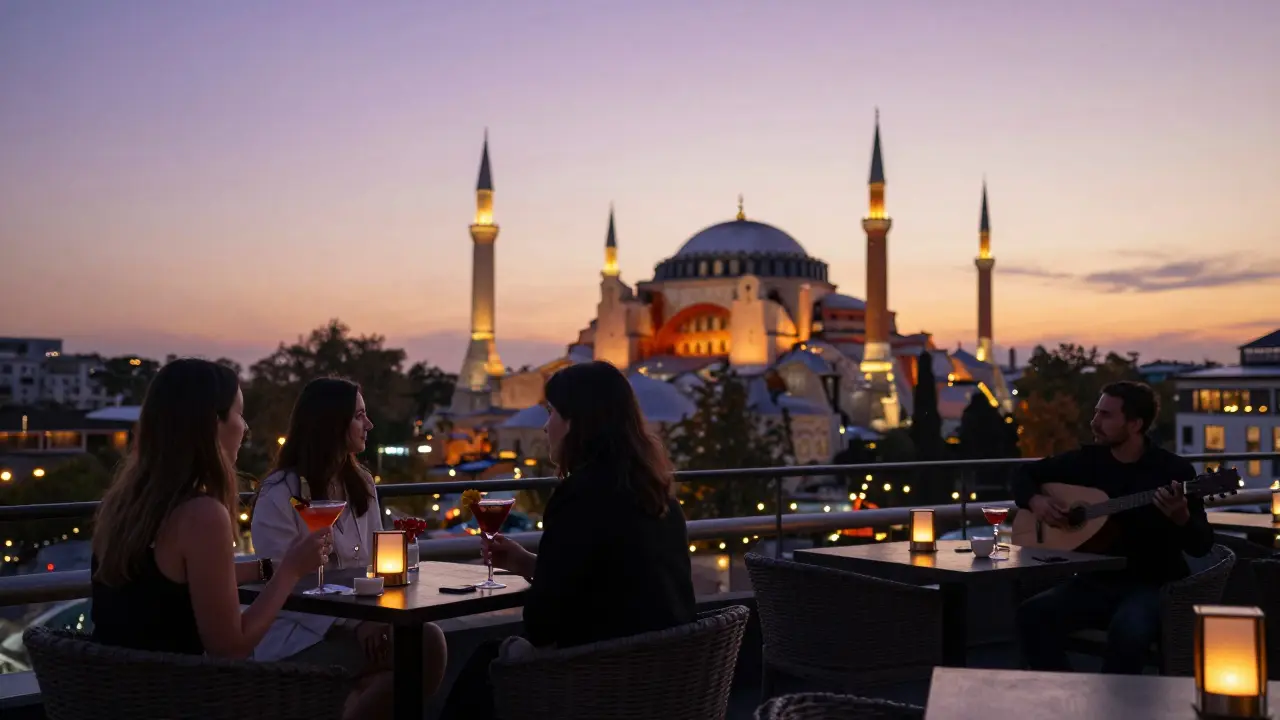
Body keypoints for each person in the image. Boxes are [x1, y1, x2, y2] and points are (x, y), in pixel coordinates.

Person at [439, 360, 697, 719]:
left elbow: (544, 623)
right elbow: (614, 581)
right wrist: (526, 564)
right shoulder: (657, 492)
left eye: (552, 412)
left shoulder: (580, 495)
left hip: (596, 683)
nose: (545, 426)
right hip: (667, 681)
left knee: (483, 669)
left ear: (578, 421)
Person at [91, 358, 329, 659]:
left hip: (115, 696)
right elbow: (231, 647)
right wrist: (291, 572)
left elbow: (173, 581)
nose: (245, 428)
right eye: (239, 413)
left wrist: (269, 568)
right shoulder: (202, 514)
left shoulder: (123, 504)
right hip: (182, 699)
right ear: (213, 422)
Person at [251, 377, 447, 718]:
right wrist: (355, 623)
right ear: (331, 423)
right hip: (299, 636)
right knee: (409, 661)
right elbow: (278, 579)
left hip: (360, 624)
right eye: (359, 415)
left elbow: (376, 563)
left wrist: (376, 616)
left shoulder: (362, 484)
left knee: (428, 642)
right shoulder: (279, 493)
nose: (369, 424)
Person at [1014, 380, 1214, 675]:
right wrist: (1036, 500)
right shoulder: (1088, 462)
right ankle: (1064, 694)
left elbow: (1201, 545)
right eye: (1096, 413)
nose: (1094, 422)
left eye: (1106, 415)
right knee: (1031, 614)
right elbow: (1023, 473)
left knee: (1127, 632)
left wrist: (1181, 517)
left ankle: (1115, 709)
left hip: (1151, 585)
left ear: (1135, 424)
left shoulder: (1174, 472)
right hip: (1095, 582)